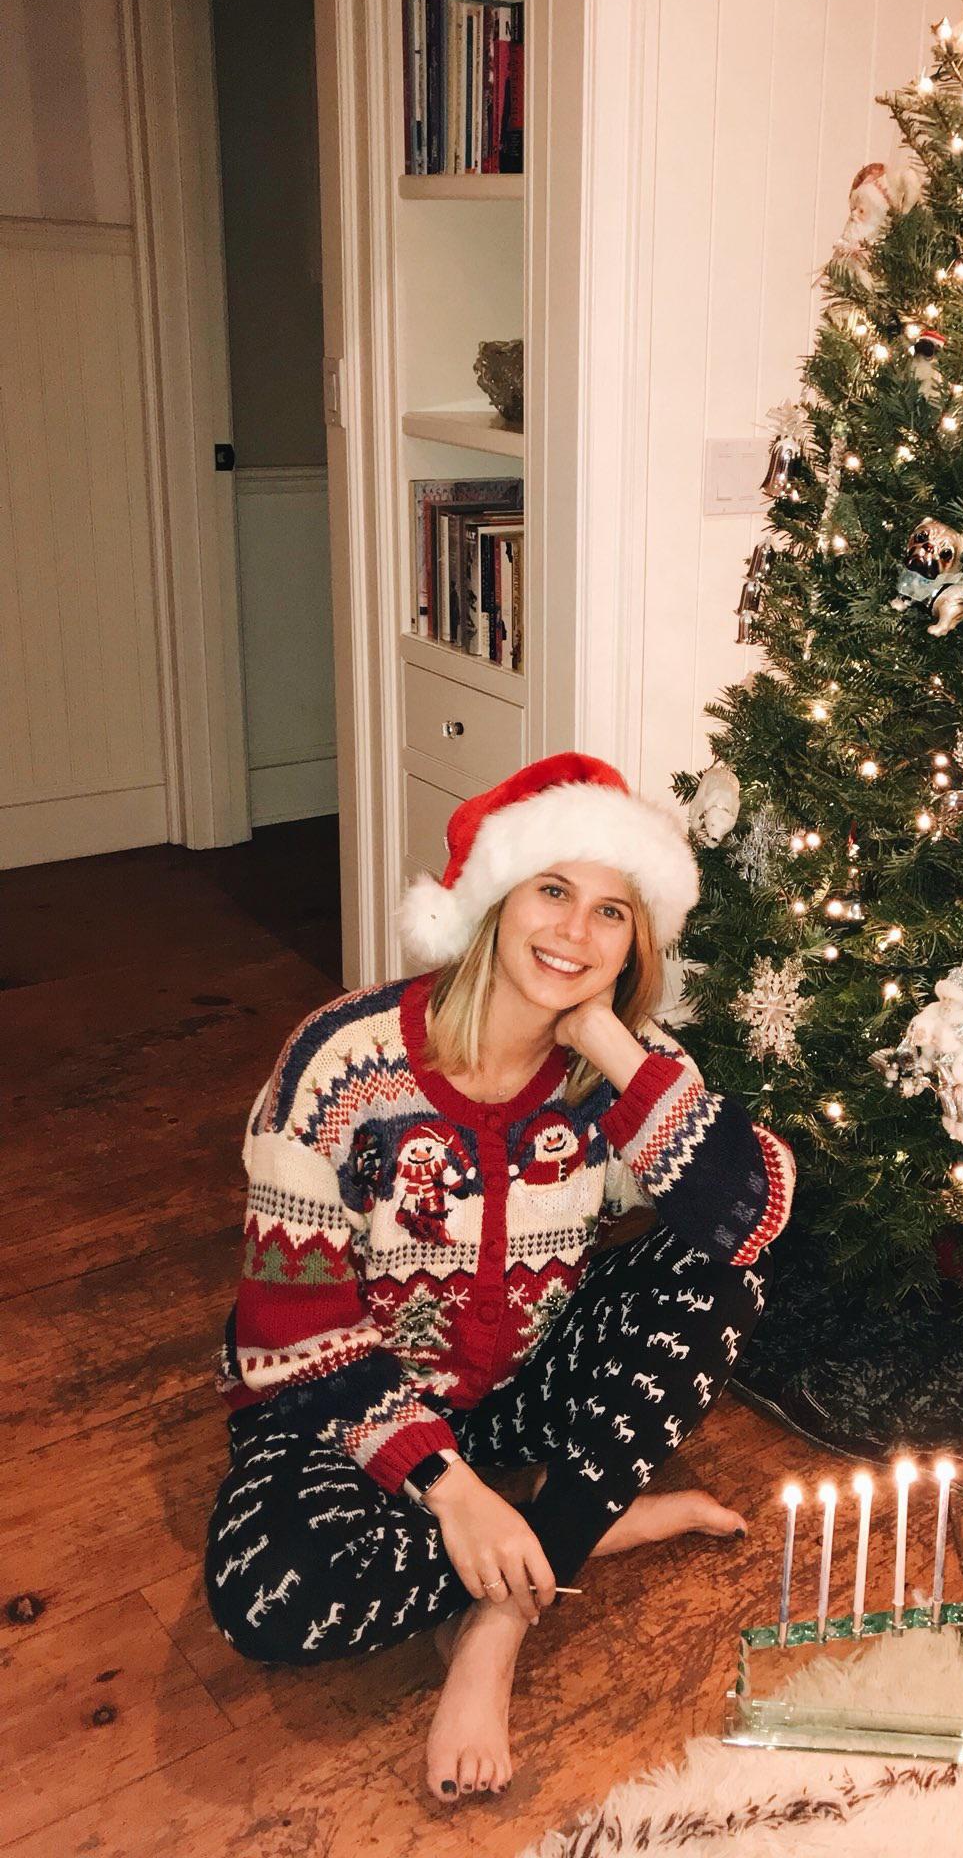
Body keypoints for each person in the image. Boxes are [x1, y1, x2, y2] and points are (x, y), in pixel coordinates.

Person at [203, 753, 794, 1802]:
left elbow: (747, 1217)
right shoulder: (343, 1061)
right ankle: (575, 1525)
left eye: (612, 912)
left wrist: (607, 1039)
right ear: (493, 901)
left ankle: (502, 1613)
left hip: (522, 1389)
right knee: (271, 1595)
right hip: (346, 1405)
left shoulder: (624, 1067)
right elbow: (290, 1330)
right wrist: (453, 1491)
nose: (576, 932)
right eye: (552, 891)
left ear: (636, 941)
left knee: (719, 1276)